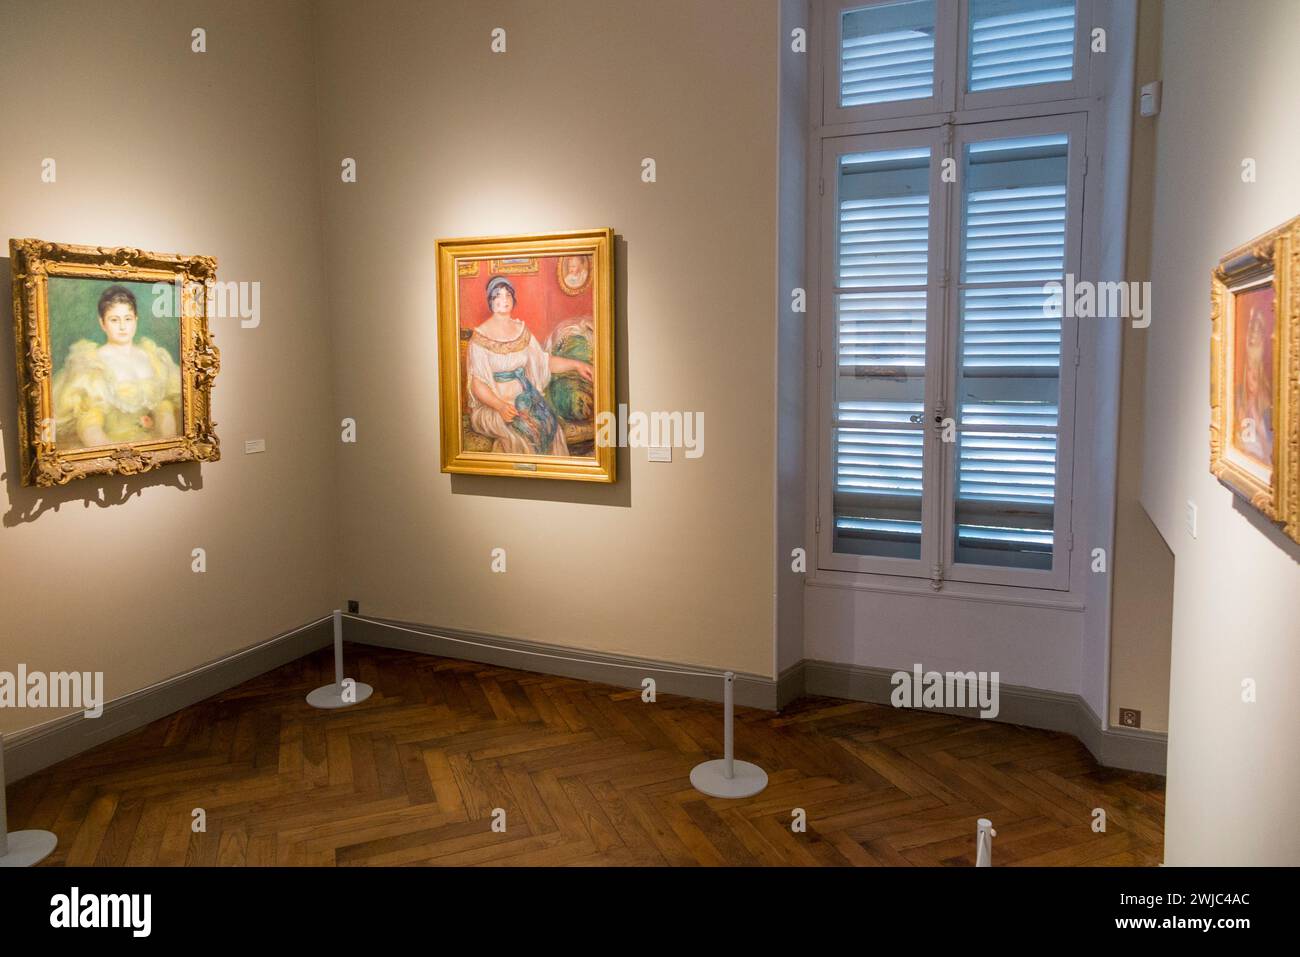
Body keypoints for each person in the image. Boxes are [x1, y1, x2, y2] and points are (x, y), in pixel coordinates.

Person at [465, 276, 592, 455]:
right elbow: (477, 384)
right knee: (523, 435)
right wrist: (500, 406)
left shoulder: (522, 332)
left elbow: (543, 362)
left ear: (513, 299)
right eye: (498, 296)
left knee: (551, 428)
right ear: (490, 301)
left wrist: (576, 364)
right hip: (495, 407)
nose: (504, 300)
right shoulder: (479, 338)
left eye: (508, 295)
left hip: (526, 401)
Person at [51, 285, 182, 449]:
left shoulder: (153, 357)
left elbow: (164, 407)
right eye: (114, 319)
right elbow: (89, 425)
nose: (122, 326)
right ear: (102, 323)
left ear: (136, 319)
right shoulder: (92, 365)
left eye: (128, 319)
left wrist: (165, 443)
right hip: (111, 450)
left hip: (153, 447)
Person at [1235, 304, 1274, 465]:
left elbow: (1270, 453)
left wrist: (1257, 418)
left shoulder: (1270, 399)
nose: (1253, 334)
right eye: (1251, 327)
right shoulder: (1238, 393)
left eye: (1259, 328)